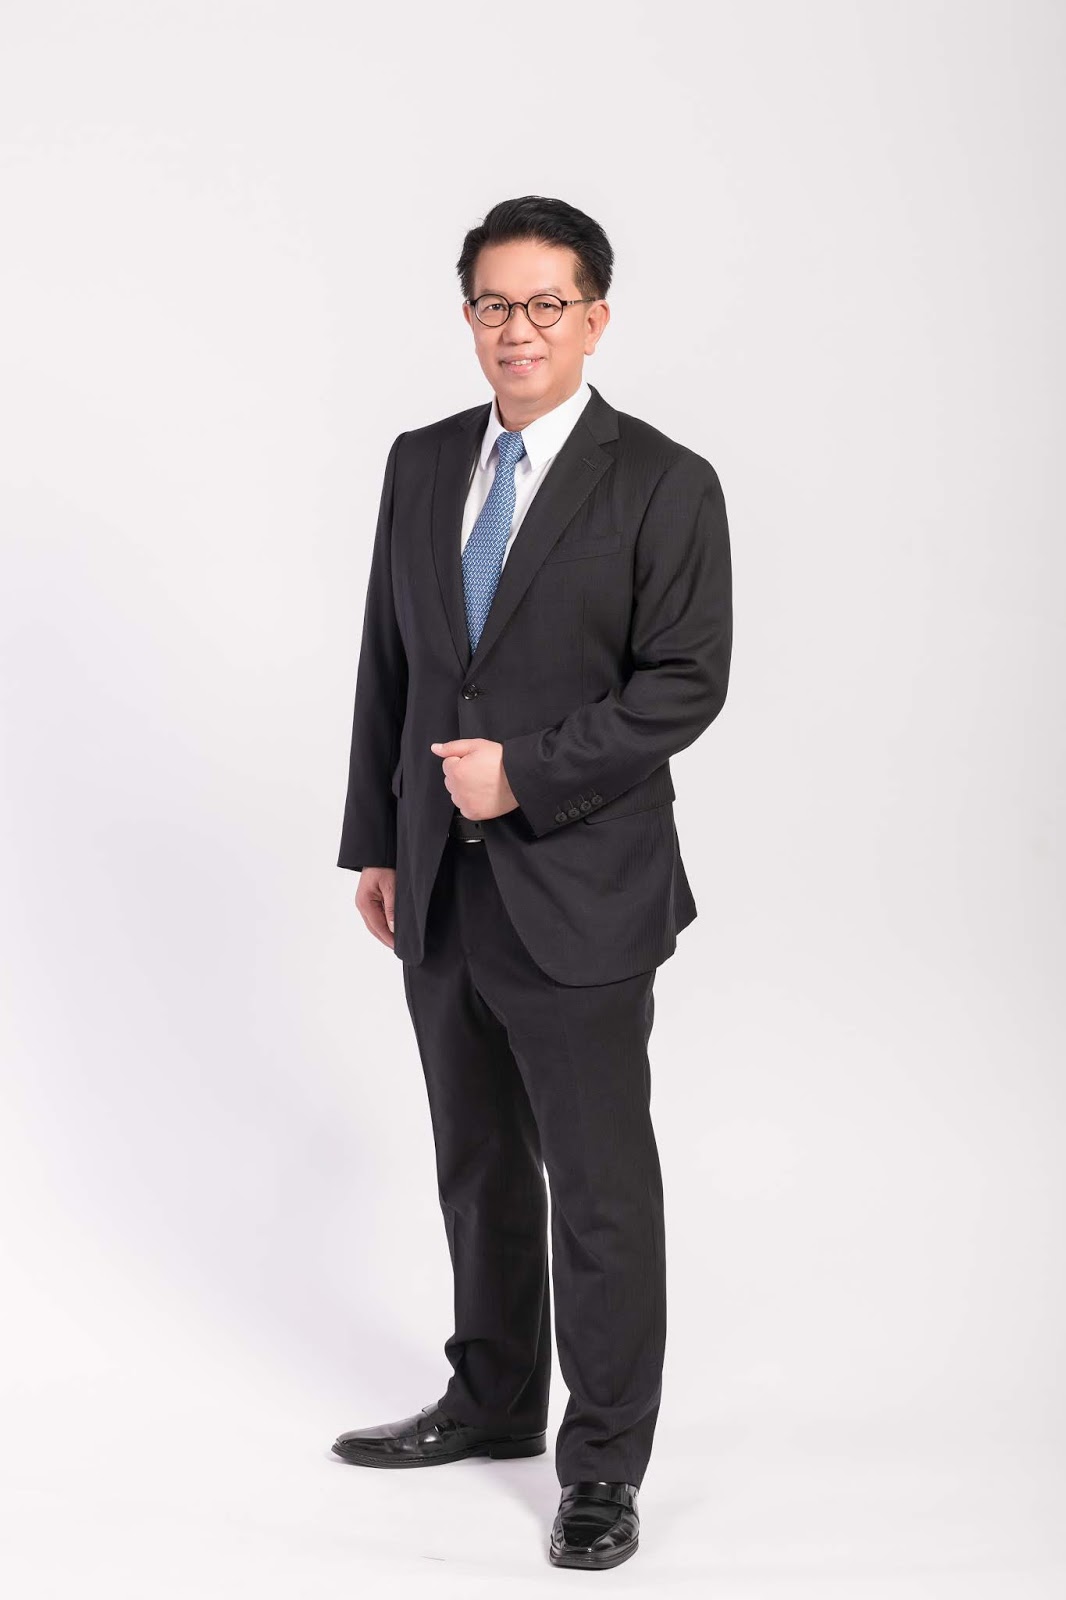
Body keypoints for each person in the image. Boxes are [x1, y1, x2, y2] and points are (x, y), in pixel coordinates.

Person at [331, 195, 732, 1571]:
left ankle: (603, 1466)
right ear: (468, 318)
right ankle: (495, 1396)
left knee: (599, 1192)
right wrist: (378, 841)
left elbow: (684, 683)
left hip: (584, 889)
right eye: (494, 305)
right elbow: (390, 663)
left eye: (546, 305)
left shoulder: (664, 482)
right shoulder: (421, 460)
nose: (519, 330)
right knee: (478, 1162)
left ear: (595, 318)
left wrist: (527, 775)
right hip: (439, 884)